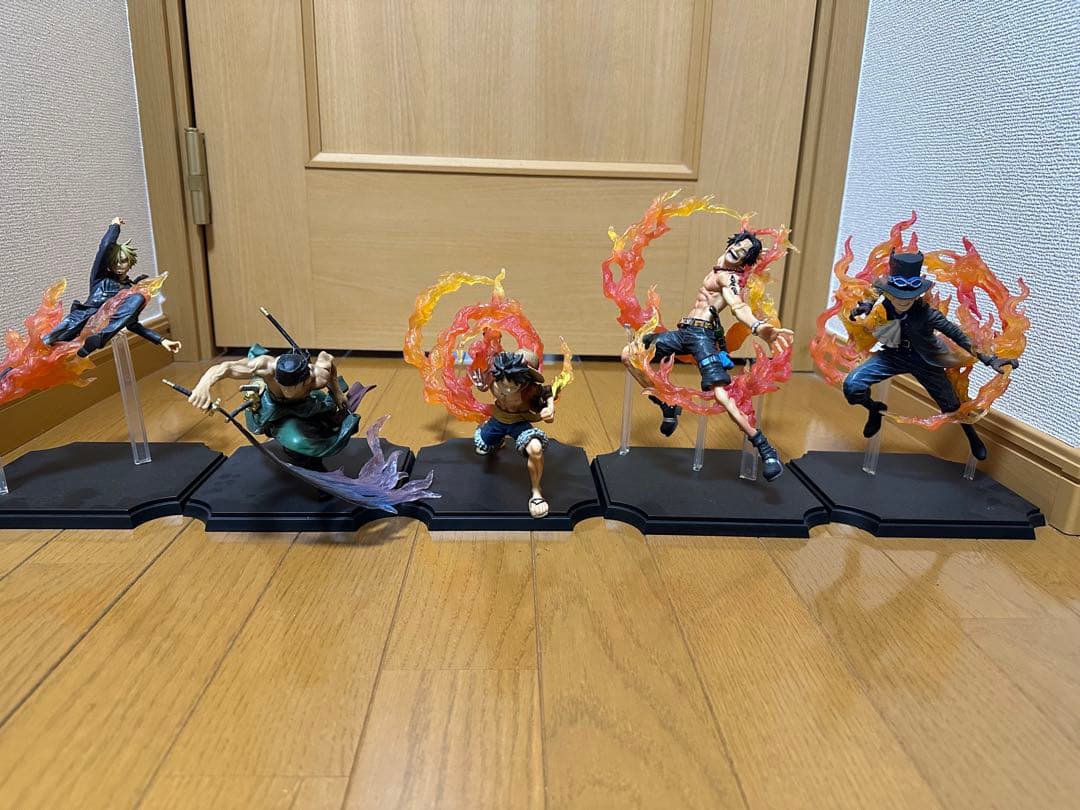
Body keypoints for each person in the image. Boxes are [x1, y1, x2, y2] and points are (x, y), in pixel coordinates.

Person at [620, 230, 793, 481]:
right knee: (630, 354)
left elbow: (738, 305)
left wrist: (757, 326)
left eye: (744, 253)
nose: (737, 251)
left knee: (722, 395)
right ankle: (667, 405)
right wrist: (753, 251)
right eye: (738, 246)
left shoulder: (729, 278)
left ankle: (766, 450)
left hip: (702, 338)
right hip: (684, 333)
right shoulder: (720, 265)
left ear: (743, 262)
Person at [842, 250, 1018, 459]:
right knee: (852, 386)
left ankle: (972, 437)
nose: (902, 300)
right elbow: (876, 288)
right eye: (897, 295)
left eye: (909, 296)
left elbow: (959, 336)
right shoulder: (885, 302)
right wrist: (867, 305)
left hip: (924, 361)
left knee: (951, 404)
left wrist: (990, 359)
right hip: (893, 356)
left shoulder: (928, 314)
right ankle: (875, 409)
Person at [42, 218, 181, 357]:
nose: (119, 265)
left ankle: (98, 339)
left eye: (123, 261)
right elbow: (104, 248)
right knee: (45, 346)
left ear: (130, 262)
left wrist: (161, 340)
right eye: (115, 261)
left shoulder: (131, 292)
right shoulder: (101, 278)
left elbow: (132, 324)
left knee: (138, 297)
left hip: (97, 330)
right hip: (79, 321)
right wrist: (114, 227)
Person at [470, 350, 556, 518]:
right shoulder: (494, 377)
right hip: (497, 421)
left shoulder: (530, 390)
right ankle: (496, 439)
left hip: (519, 423)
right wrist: (481, 385)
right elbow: (484, 381)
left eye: (514, 386)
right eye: (503, 385)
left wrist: (550, 409)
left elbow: (548, 391)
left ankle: (536, 492)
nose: (507, 389)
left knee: (536, 449)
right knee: (484, 444)